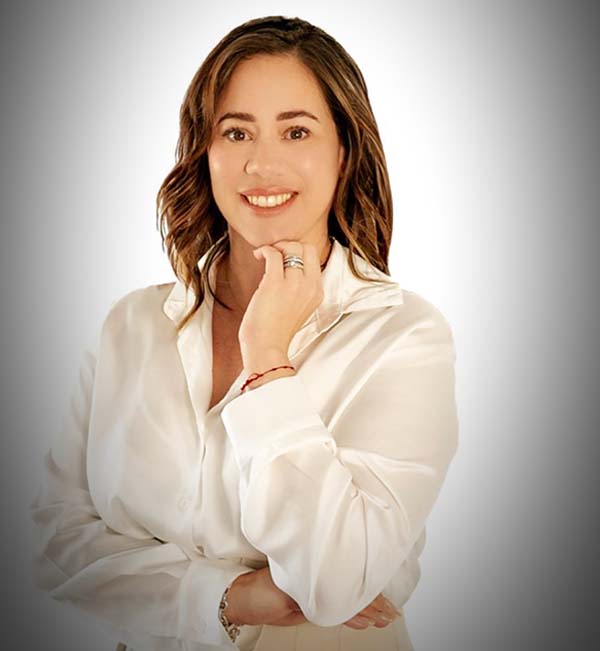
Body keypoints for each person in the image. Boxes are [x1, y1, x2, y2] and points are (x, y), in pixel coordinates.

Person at [29, 15, 459, 651]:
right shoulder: (132, 325)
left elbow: (335, 582)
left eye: (296, 131)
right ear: (205, 152)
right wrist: (228, 597)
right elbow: (53, 543)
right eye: (236, 132)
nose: (262, 163)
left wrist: (268, 362)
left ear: (344, 152)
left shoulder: (403, 336)